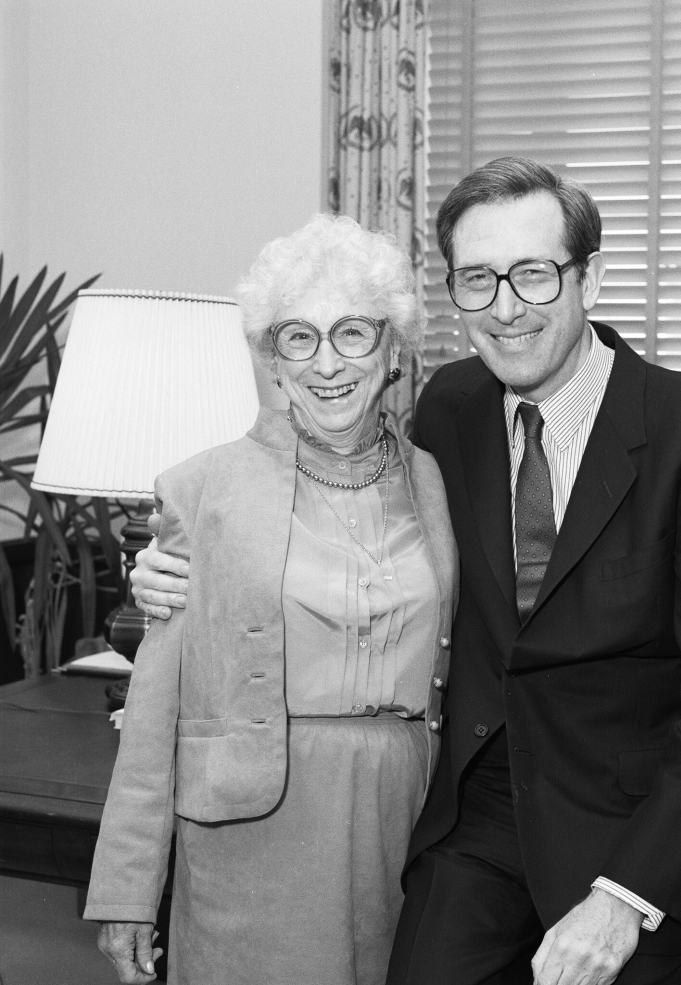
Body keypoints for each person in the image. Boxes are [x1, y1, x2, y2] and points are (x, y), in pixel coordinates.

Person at [134, 158, 681, 984]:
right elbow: (326, 513)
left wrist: (625, 898)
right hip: (477, 814)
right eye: (478, 280)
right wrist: (170, 565)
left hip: (633, 828)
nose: (506, 308)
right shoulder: (450, 407)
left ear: (590, 278)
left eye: (533, 274)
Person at [84, 213, 458, 985]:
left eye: (353, 333)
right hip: (253, 838)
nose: (327, 362)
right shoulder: (205, 488)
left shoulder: (434, 479)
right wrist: (127, 885)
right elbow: (155, 705)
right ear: (272, 360)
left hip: (406, 820)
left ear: (393, 350)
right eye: (298, 337)